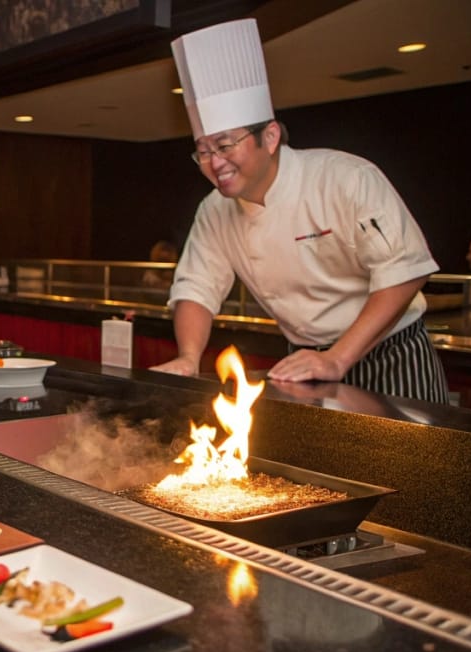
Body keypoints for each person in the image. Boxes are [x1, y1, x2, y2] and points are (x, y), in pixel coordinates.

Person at [151, 18, 448, 404]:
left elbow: (404, 272)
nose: (214, 162)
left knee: (413, 464)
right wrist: (188, 358)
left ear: (270, 137)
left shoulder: (344, 178)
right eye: (203, 151)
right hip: (306, 364)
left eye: (225, 145)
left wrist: (339, 358)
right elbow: (196, 287)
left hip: (391, 355)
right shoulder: (214, 211)